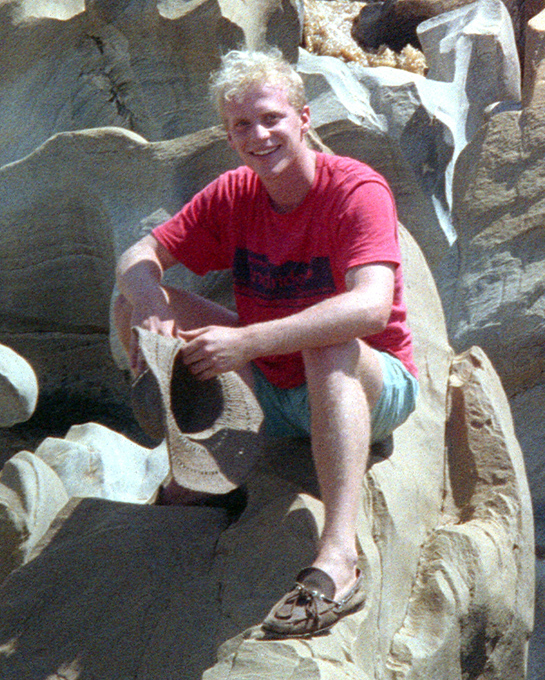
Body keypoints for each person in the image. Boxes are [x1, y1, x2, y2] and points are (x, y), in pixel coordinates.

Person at [113, 49, 418, 636]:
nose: (260, 135)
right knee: (135, 301)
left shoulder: (355, 189)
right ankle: (205, 472)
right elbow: (137, 256)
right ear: (229, 137)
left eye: (272, 118)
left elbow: (371, 305)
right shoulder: (234, 194)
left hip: (367, 383)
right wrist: (149, 304)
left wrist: (247, 340)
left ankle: (339, 558)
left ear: (303, 118)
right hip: (269, 384)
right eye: (242, 125)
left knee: (328, 342)